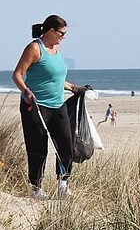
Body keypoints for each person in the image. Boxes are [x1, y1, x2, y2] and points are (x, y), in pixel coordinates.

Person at [12, 14, 87, 200]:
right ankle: (36, 188)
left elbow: (56, 78)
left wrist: (74, 88)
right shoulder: (34, 48)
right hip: (36, 106)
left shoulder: (56, 49)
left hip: (57, 105)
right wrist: (26, 92)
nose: (64, 37)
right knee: (38, 147)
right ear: (51, 31)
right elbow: (17, 75)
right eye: (62, 33)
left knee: (65, 144)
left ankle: (63, 184)